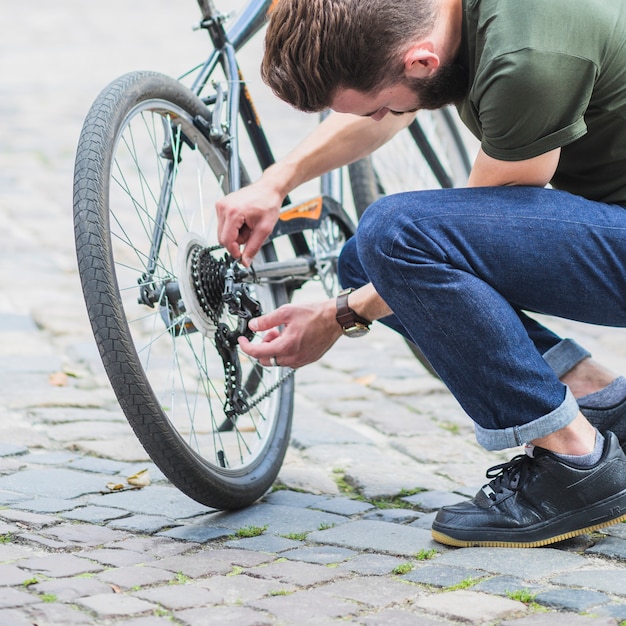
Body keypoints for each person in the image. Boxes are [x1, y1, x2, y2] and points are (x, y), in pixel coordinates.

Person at [216, 0, 626, 547]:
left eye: (380, 109)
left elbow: (437, 247)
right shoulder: (443, 19)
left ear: (420, 63)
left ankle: (574, 463)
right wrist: (277, 180)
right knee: (364, 257)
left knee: (396, 233)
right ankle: (605, 406)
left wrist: (340, 315)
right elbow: (395, 112)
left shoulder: (527, 58)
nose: (381, 119)